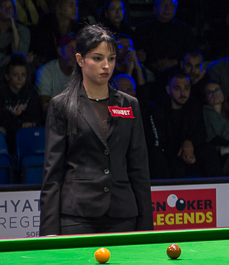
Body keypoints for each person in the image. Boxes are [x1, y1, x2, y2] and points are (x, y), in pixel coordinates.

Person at [40, 23, 152, 236]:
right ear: (80, 59)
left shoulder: (130, 105)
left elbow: (139, 170)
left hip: (122, 213)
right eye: (98, 58)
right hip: (76, 214)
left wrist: (146, 226)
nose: (106, 66)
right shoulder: (62, 105)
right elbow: (52, 174)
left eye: (111, 58)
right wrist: (48, 231)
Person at [144, 71, 220, 179]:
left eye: (186, 88)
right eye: (177, 89)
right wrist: (181, 151)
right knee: (157, 156)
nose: (182, 93)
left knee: (209, 150)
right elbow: (156, 141)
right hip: (167, 155)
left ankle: (216, 186)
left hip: (190, 154)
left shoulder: (195, 106)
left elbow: (201, 133)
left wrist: (189, 142)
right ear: (168, 90)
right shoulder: (156, 109)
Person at [0, 53, 43, 148]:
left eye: (23, 75)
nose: (20, 79)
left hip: (25, 130)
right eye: (15, 75)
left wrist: (27, 124)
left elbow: (35, 114)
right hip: (6, 129)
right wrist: (18, 125)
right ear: (7, 76)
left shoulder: (30, 91)